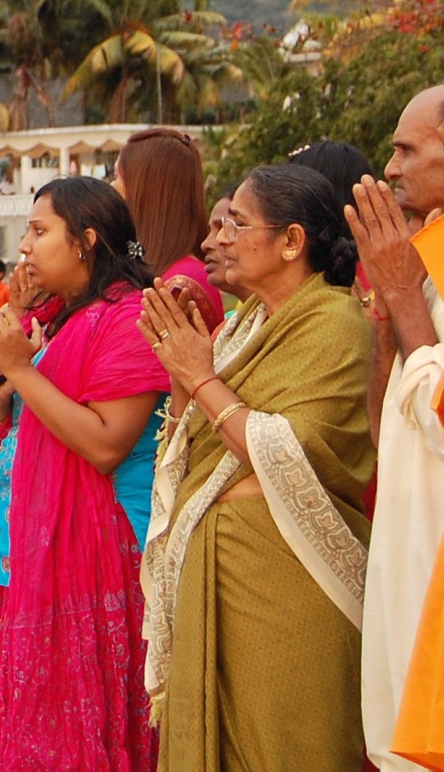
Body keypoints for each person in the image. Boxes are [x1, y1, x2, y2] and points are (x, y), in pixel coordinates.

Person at [139, 164, 373, 770]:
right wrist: (186, 366)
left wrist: (200, 375)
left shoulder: (337, 324)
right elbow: (192, 439)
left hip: (289, 588)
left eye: (236, 224)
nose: (216, 239)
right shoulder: (246, 325)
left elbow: (285, 449)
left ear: (291, 242)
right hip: (218, 571)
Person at [0, 177, 163, 771]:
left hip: (93, 562)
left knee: (76, 744)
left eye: (39, 230)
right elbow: (30, 435)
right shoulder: (69, 320)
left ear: (86, 242)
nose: (24, 247)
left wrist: (22, 372)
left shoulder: (128, 320)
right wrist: (1, 402)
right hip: (25, 558)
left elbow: (104, 445)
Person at [346, 85, 444, 770]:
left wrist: (407, 296)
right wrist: (389, 312)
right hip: (408, 541)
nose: (392, 166)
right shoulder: (423, 254)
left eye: (408, 148)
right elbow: (386, 435)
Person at [116, 127, 226, 336]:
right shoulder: (164, 269)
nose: (111, 188)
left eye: (118, 178)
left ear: (146, 192)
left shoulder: (180, 284)